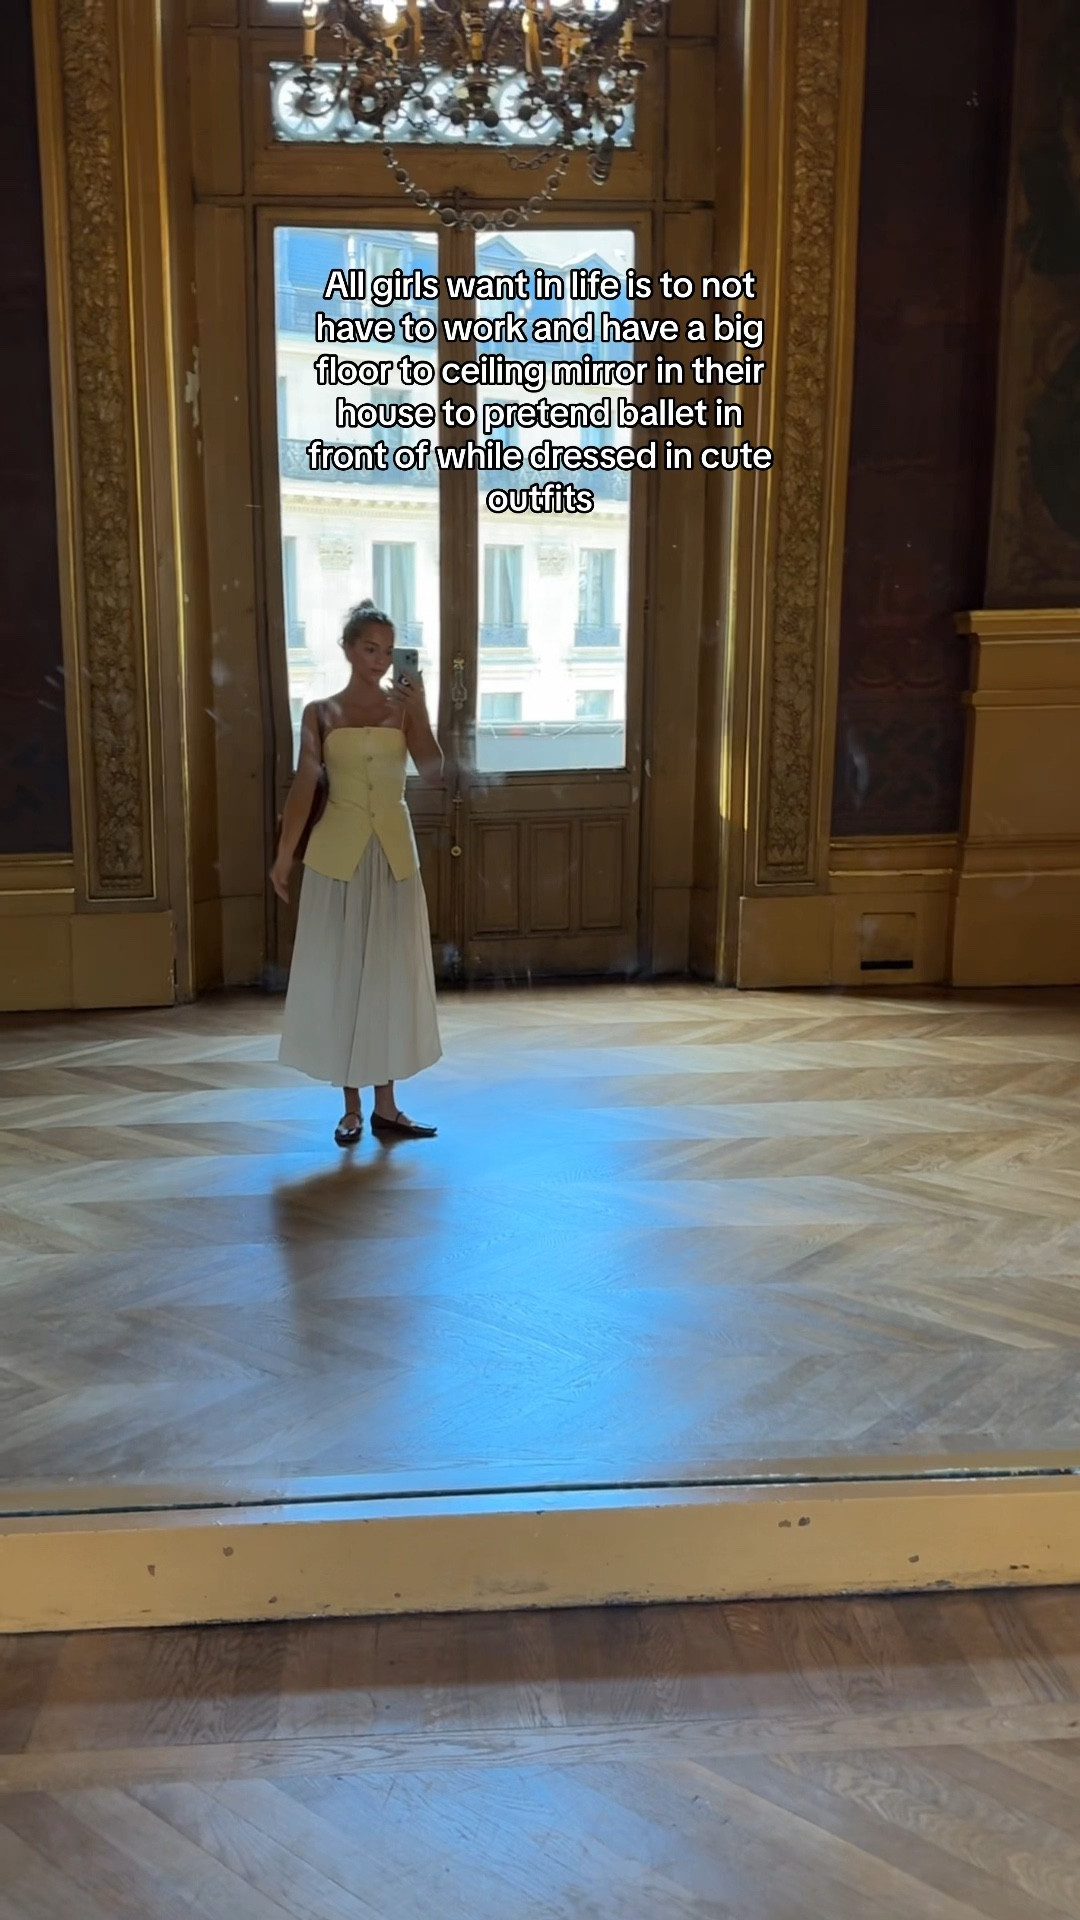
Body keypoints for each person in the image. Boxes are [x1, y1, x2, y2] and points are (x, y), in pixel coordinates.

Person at [270, 600, 443, 1144]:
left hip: (393, 855)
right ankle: (350, 1108)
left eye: (389, 652)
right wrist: (283, 856)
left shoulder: (405, 708)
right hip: (336, 857)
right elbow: (304, 785)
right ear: (347, 649)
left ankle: (387, 1107)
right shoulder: (319, 712)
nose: (380, 660)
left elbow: (436, 773)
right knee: (345, 974)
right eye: (370, 649)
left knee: (388, 976)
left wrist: (420, 712)